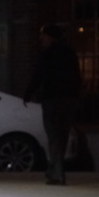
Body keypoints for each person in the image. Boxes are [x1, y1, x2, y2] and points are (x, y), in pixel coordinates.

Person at [23, 23, 82, 185]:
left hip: (51, 100)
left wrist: (28, 93)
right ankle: (55, 169)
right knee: (62, 136)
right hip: (68, 100)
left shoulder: (46, 55)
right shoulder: (69, 53)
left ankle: (57, 172)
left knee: (54, 136)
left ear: (51, 37)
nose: (41, 38)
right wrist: (77, 98)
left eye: (44, 35)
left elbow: (37, 75)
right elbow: (77, 77)